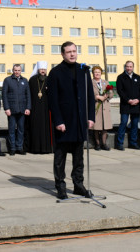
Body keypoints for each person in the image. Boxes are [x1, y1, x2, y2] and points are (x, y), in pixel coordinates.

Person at [47, 41, 95, 200]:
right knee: (60, 157)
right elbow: (53, 100)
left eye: (74, 51)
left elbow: (89, 96)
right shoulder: (55, 72)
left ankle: (78, 185)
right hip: (64, 122)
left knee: (79, 157)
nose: (72, 54)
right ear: (62, 54)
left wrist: (90, 117)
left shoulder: (84, 71)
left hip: (80, 121)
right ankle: (60, 186)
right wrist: (58, 121)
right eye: (69, 52)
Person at [2, 64, 31, 155]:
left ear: (21, 71)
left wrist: (28, 108)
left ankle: (19, 147)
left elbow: (28, 95)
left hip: (22, 110)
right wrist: (6, 108)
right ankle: (12, 148)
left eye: (18, 70)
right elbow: (4, 95)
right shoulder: (7, 80)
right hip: (11, 110)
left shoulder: (25, 81)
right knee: (11, 130)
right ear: (13, 70)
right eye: (15, 70)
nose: (17, 72)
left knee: (21, 130)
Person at [115, 61, 140, 150]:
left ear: (133, 67)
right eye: (127, 66)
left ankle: (133, 143)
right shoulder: (120, 77)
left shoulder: (137, 77)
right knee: (123, 123)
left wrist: (138, 100)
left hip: (136, 105)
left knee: (134, 124)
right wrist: (128, 100)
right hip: (125, 105)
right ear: (125, 67)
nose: (129, 68)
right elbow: (120, 91)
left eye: (130, 66)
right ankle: (119, 143)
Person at [26, 62, 53, 154]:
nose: (43, 71)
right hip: (35, 109)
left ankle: (46, 148)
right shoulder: (32, 80)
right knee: (35, 127)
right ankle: (35, 148)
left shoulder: (50, 80)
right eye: (41, 69)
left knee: (46, 128)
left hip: (46, 109)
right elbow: (28, 94)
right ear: (38, 70)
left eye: (44, 70)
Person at [91, 66, 113, 151]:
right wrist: (97, 97)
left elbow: (111, 94)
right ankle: (97, 144)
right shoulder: (90, 82)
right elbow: (89, 93)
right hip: (96, 106)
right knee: (96, 127)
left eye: (98, 72)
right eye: (95, 72)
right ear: (93, 73)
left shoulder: (105, 82)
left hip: (105, 107)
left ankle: (104, 144)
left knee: (105, 127)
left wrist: (106, 95)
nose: (97, 74)